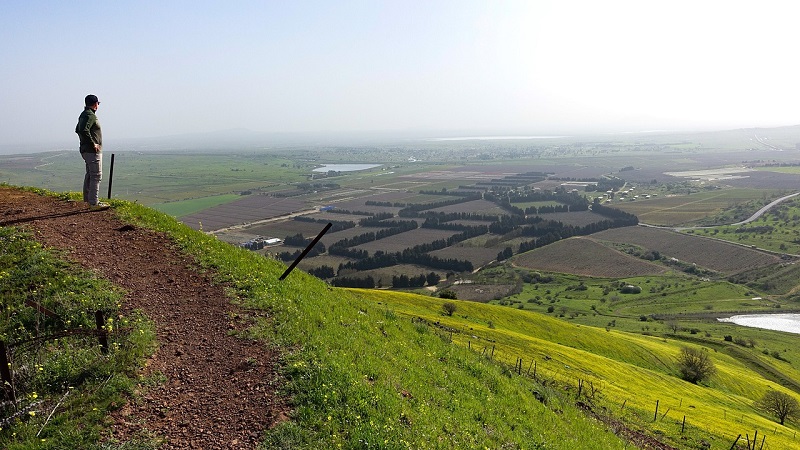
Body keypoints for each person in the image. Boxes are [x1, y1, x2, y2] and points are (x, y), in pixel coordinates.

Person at [75, 94, 108, 209]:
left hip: (85, 150)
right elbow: (83, 130)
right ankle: (94, 203)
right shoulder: (90, 115)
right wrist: (93, 143)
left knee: (90, 174)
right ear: (95, 104)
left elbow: (78, 129)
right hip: (92, 151)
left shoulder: (83, 114)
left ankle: (88, 201)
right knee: (96, 176)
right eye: (98, 103)